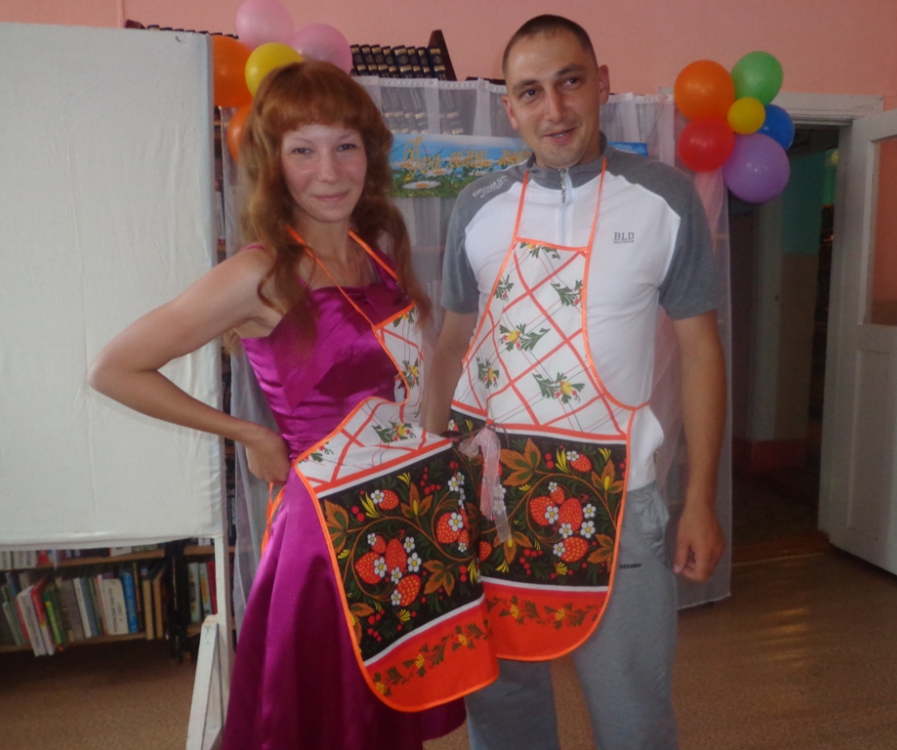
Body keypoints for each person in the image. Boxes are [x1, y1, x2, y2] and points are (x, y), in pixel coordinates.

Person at [89, 61, 498, 749]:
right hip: (324, 535)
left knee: (379, 710)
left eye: (345, 145)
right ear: (274, 163)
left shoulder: (375, 252)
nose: (329, 171)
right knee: (324, 718)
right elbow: (115, 368)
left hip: (394, 513)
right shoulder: (260, 272)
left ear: (370, 152)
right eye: (302, 149)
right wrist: (246, 433)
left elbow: (406, 378)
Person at [422, 15, 727, 750]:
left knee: (633, 719)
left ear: (602, 85)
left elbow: (700, 353)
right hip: (493, 504)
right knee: (505, 716)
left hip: (620, 506)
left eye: (570, 82)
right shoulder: (477, 207)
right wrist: (427, 483)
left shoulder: (665, 199)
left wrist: (700, 499)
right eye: (531, 92)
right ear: (510, 107)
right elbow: (452, 345)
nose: (554, 109)